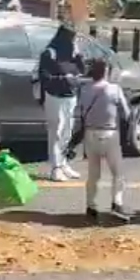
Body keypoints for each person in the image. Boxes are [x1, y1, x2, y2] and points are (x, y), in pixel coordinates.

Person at [72, 58, 131, 222]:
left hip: (90, 134)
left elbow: (80, 112)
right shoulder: (114, 89)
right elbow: (126, 114)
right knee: (118, 173)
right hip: (110, 133)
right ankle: (117, 204)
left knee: (93, 174)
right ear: (107, 72)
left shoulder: (84, 90)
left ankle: (91, 206)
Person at [36, 22, 85, 181]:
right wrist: (63, 79)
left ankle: (64, 163)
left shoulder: (72, 54)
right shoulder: (50, 53)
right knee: (56, 131)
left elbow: (82, 70)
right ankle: (55, 167)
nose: (74, 41)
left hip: (70, 96)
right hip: (54, 96)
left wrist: (78, 54)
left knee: (67, 131)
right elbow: (45, 77)